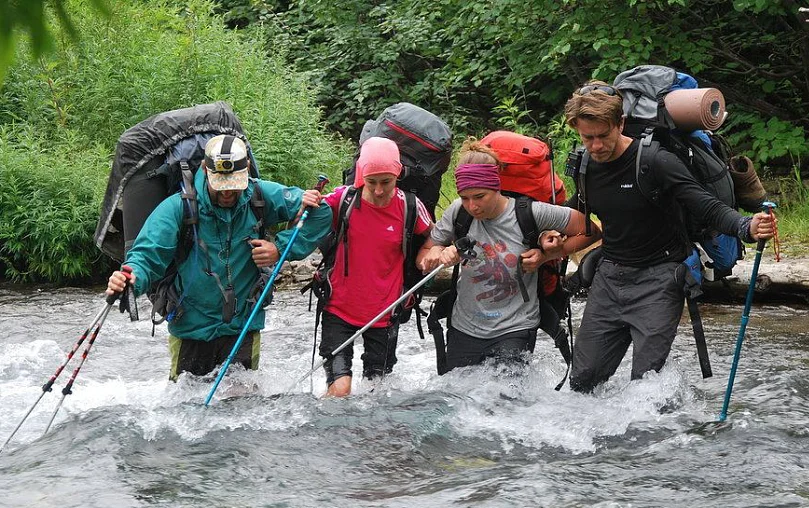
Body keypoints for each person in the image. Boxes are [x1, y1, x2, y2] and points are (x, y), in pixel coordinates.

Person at [561, 82, 777, 392]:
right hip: (609, 279)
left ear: (620, 124)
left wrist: (746, 226)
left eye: (602, 136)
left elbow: (706, 206)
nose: (595, 146)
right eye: (587, 138)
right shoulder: (585, 166)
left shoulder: (655, 161)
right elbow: (579, 207)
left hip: (660, 281)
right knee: (583, 383)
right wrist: (542, 232)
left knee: (645, 387)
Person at [106, 134, 332, 380]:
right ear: (205, 169)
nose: (228, 193)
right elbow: (148, 254)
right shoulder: (178, 208)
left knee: (242, 407)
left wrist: (279, 248)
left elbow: (321, 214)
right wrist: (130, 277)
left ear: (246, 170)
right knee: (186, 409)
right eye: (221, 184)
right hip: (191, 330)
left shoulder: (259, 195)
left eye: (234, 183)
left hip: (243, 327)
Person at [416, 138, 600, 373]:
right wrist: (436, 253)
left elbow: (590, 231)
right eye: (465, 197)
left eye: (480, 196)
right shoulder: (457, 212)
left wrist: (545, 256)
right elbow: (422, 257)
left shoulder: (530, 212)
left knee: (505, 402)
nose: (472, 206)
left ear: (496, 187)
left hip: (516, 327)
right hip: (465, 327)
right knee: (460, 400)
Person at [303, 136, 433, 397]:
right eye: (371, 182)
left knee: (376, 395)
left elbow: (435, 235)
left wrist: (429, 254)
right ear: (361, 175)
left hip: (385, 314)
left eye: (386, 182)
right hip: (338, 309)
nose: (378, 190)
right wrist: (303, 204)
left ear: (397, 175)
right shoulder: (342, 199)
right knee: (340, 390)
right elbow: (305, 221)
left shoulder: (409, 206)